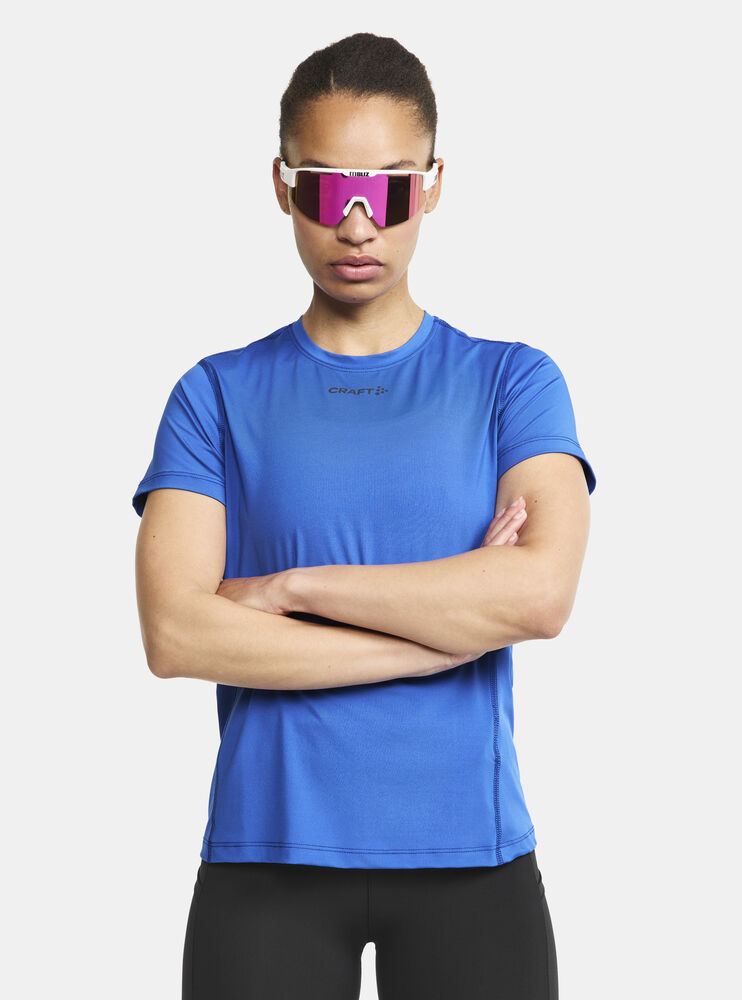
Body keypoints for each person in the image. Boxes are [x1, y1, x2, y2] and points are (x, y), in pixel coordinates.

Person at [133, 31, 596, 1000]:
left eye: (387, 191)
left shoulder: (512, 383)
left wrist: (289, 588)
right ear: (281, 186)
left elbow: (539, 595)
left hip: (472, 856)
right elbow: (177, 633)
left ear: (432, 186)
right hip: (268, 855)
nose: (355, 224)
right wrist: (438, 641)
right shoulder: (214, 395)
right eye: (326, 187)